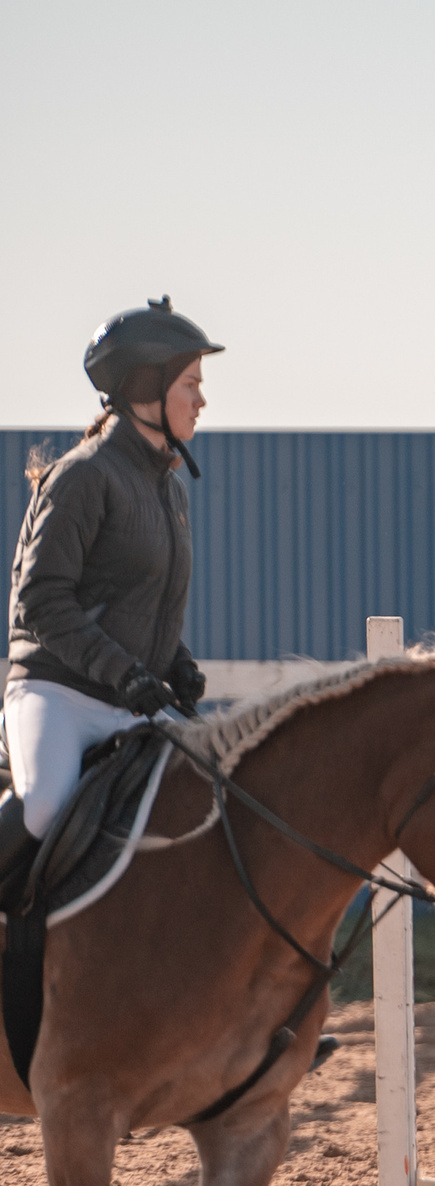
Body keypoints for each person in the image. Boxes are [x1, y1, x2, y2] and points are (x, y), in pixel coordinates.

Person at [5, 299, 222, 883]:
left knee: (208, 793)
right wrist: (124, 671)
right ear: (148, 388)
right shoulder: (83, 476)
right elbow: (41, 601)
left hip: (129, 703)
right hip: (57, 694)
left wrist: (176, 663)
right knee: (45, 804)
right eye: (191, 384)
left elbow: (138, 601)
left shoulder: (170, 491)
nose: (202, 400)